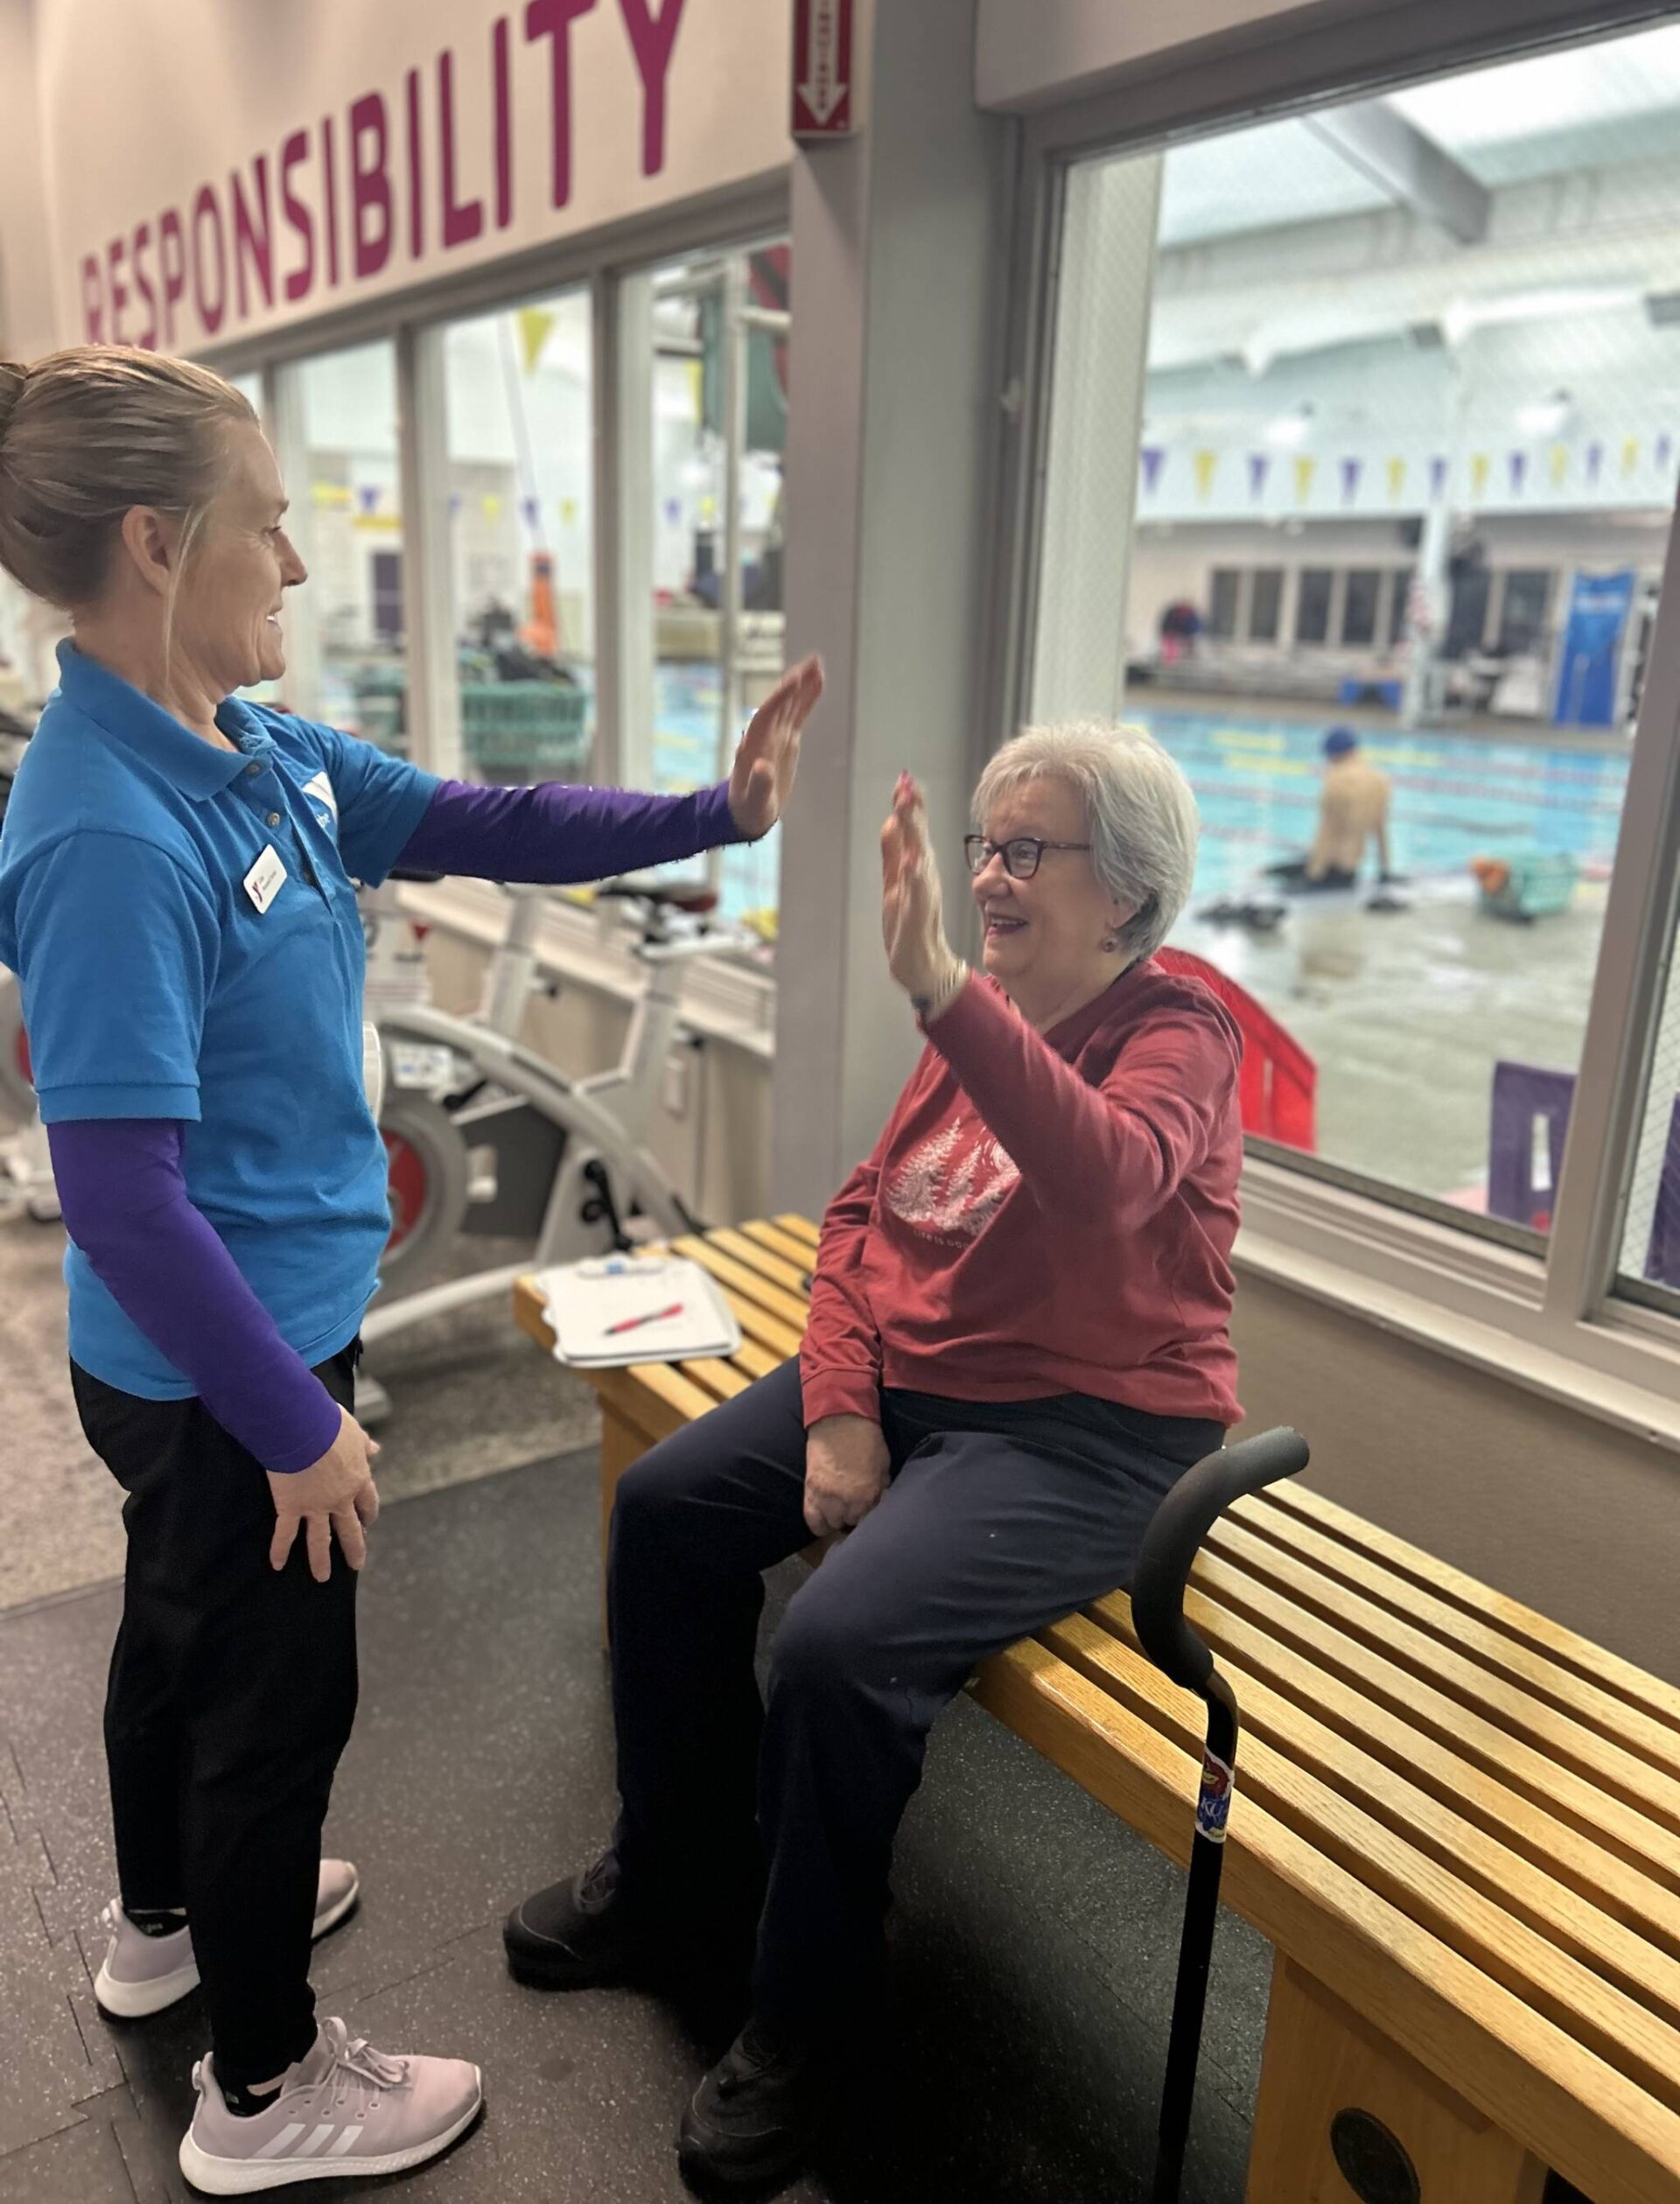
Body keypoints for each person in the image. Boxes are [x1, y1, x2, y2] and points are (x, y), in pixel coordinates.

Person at [0, 346, 822, 2197]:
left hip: (226, 1347)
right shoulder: (108, 827)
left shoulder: (257, 751)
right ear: (156, 542)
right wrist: (297, 1427)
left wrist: (713, 814)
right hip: (222, 1363)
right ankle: (263, 2087)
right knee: (273, 1710)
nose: (295, 562)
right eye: (267, 523)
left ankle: (163, 1923)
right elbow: (118, 1197)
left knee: (178, 1643)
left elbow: (485, 821)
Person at [504, 724, 1244, 2192]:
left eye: (1028, 850)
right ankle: (674, 1876)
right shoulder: (987, 1019)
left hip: (1091, 1432)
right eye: (984, 846)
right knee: (664, 1510)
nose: (992, 876)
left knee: (838, 1651)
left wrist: (946, 992)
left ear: (1127, 890)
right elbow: (863, 1219)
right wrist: (842, 1403)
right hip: (914, 1382)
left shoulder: (1181, 1035)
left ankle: (809, 2020)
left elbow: (1105, 1182)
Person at [1270, 724, 1392, 890]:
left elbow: (1327, 831)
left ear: (1333, 754)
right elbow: (1381, 831)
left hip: (1327, 871)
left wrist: (1313, 876)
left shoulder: (1336, 780)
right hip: (1350, 873)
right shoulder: (1380, 780)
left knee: (1269, 874)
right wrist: (1384, 872)